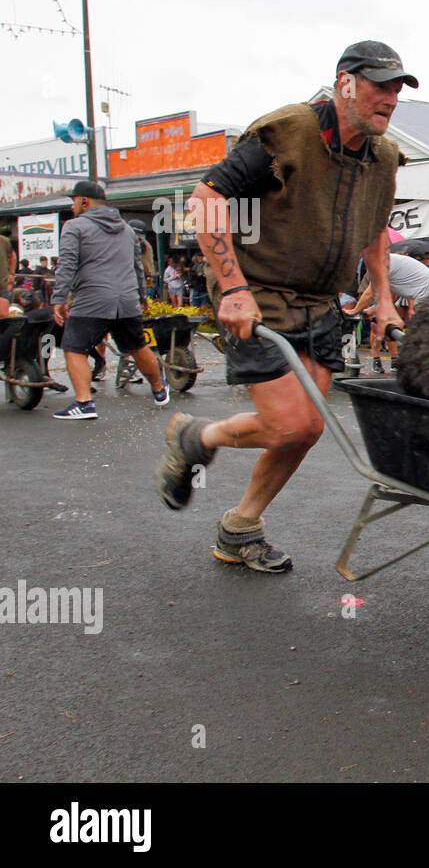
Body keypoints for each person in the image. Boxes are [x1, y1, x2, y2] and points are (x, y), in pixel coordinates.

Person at [155, 39, 413, 573]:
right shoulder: (289, 131)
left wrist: (385, 300)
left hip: (320, 300)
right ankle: (196, 436)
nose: (389, 98)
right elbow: (207, 199)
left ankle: (239, 527)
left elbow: (376, 238)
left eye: (396, 88)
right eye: (379, 85)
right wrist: (232, 288)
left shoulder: (383, 157)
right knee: (289, 423)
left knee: (309, 427)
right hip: (260, 291)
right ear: (345, 83)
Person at [50, 180, 169, 419]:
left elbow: (67, 264)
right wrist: (141, 297)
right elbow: (136, 267)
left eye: (74, 201)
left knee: (74, 348)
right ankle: (159, 389)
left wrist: (59, 298)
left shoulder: (75, 227)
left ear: (84, 201)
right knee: (137, 346)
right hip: (126, 300)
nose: (72, 206)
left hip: (92, 299)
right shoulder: (126, 229)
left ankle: (84, 404)